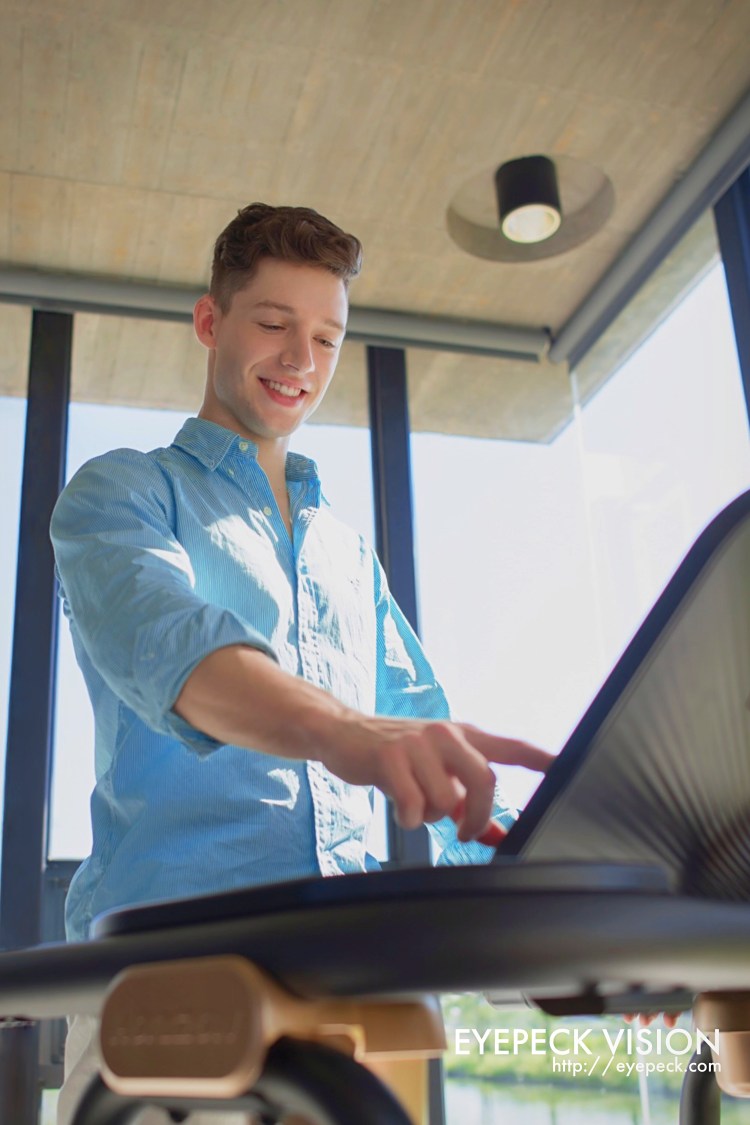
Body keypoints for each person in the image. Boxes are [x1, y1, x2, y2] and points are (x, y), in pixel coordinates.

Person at [51, 203, 551, 1125]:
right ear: (211, 321)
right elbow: (180, 651)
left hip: (345, 1001)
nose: (301, 360)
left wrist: (571, 898)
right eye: (274, 324)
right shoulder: (121, 493)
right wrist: (346, 731)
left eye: (326, 337)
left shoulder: (347, 554)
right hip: (172, 1000)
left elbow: (427, 753)